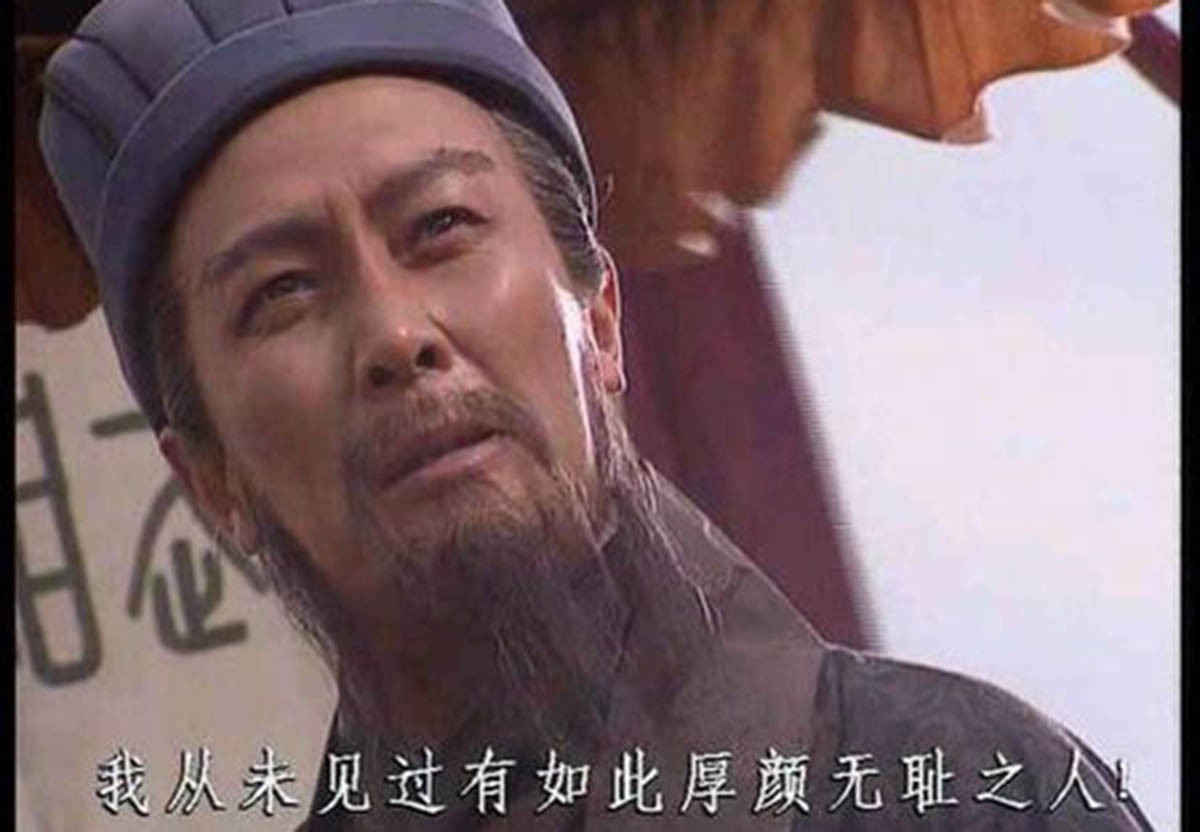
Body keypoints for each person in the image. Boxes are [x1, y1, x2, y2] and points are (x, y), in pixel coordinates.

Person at [38, 0, 1156, 829]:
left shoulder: (965, 792)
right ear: (211, 481)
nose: (396, 334)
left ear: (603, 318)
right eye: (282, 292)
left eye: (440, 227)